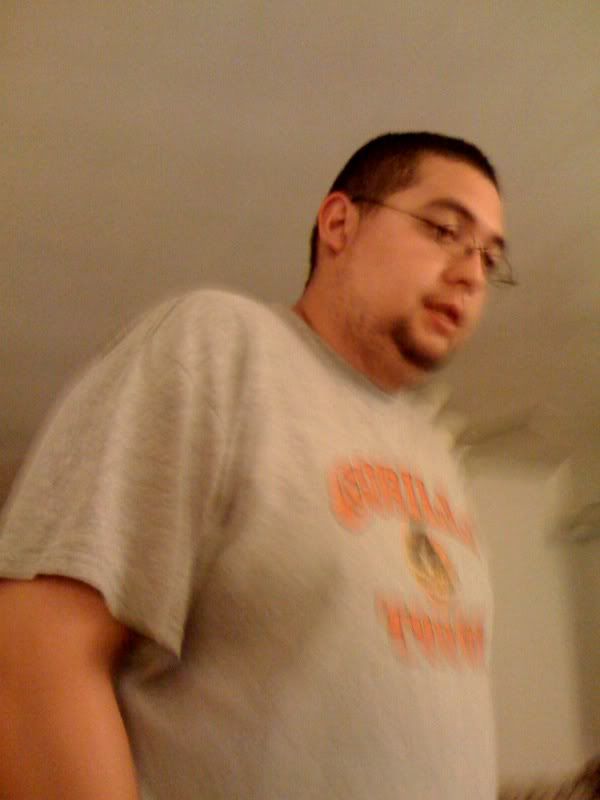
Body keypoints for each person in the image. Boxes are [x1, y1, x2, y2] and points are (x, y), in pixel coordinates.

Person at [0, 132, 512, 799]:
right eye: (445, 230)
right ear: (340, 223)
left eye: (490, 257)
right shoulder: (219, 345)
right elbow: (35, 652)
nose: (473, 273)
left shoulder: (433, 451)